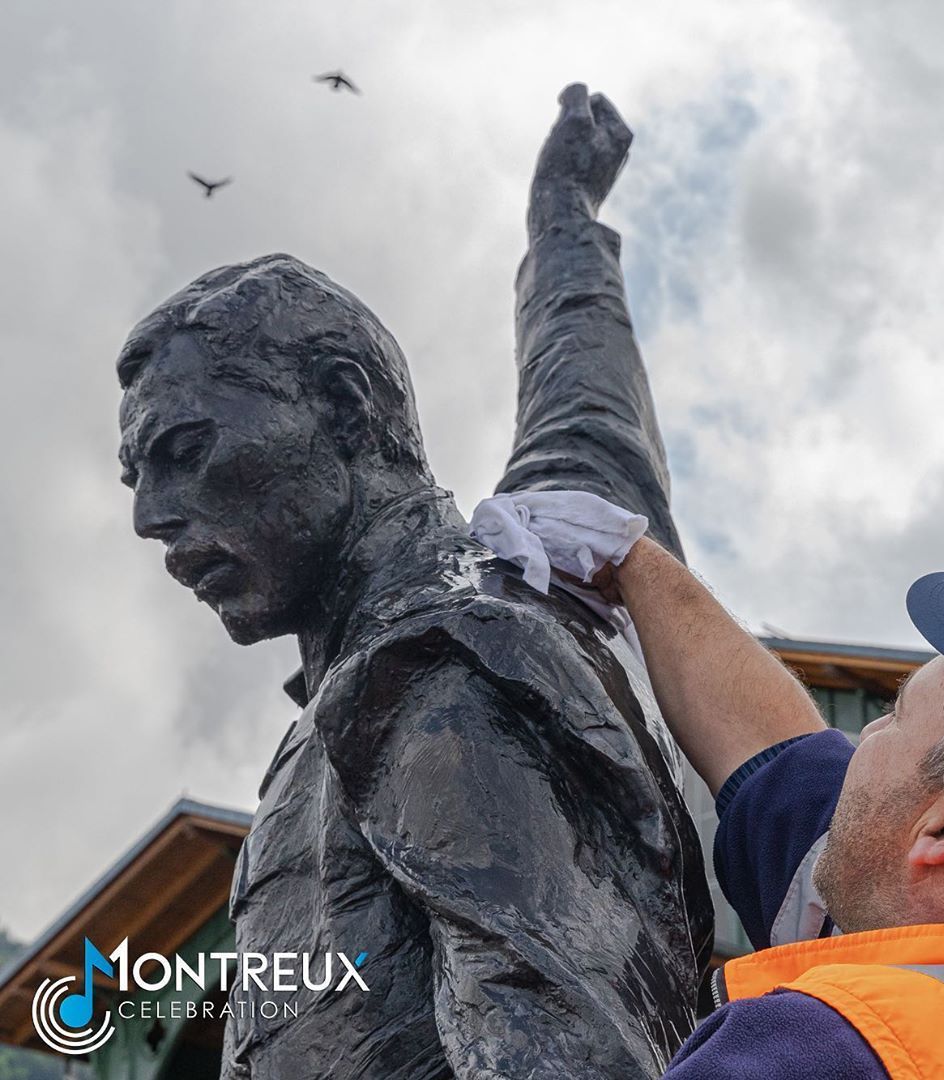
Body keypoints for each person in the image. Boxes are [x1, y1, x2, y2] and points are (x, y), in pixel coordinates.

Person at [114, 86, 712, 1078]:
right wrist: (563, 229)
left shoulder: (432, 676)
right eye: (138, 478)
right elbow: (590, 416)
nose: (150, 517)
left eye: (187, 448)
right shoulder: (546, 575)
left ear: (347, 409)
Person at [584, 533, 944, 1075]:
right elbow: (769, 749)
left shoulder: (828, 1048)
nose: (864, 732)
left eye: (897, 715)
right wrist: (628, 554)